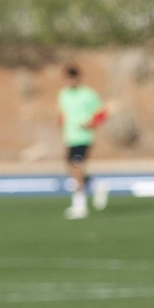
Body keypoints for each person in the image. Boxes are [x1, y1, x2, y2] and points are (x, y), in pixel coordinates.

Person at [57, 64, 109, 219]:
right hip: (70, 137)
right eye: (68, 78)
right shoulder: (63, 94)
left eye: (73, 77)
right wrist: (60, 124)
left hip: (84, 137)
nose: (70, 81)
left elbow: (102, 112)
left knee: (77, 167)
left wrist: (91, 124)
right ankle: (97, 185)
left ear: (78, 78)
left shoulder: (87, 94)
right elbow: (62, 114)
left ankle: (80, 206)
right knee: (73, 170)